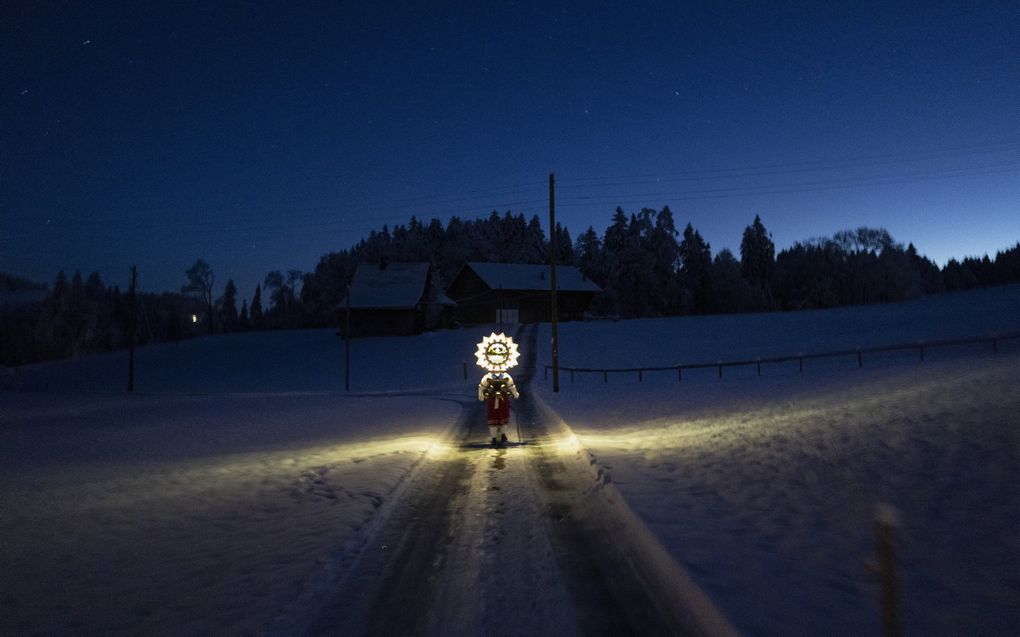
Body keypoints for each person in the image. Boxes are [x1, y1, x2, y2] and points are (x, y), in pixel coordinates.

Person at [478, 370, 519, 446]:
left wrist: (515, 393)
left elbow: (511, 386)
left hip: (502, 400)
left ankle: (502, 434)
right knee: (493, 417)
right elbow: (481, 387)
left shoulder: (505, 376)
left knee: (503, 415)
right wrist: (481, 395)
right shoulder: (488, 377)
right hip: (492, 400)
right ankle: (495, 437)